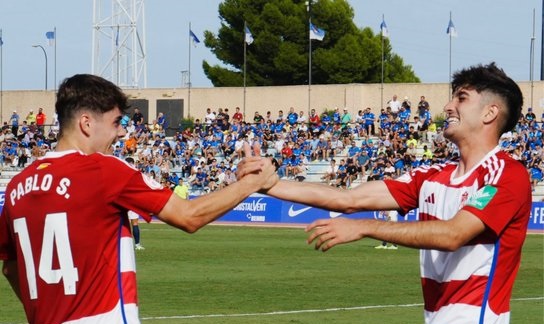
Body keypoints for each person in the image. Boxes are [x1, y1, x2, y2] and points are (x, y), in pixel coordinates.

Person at [250, 63, 531, 323]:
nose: (447, 106)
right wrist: (269, 184)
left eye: (461, 98)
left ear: (489, 113)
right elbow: (348, 199)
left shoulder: (507, 174)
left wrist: (365, 227)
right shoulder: (431, 176)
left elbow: (452, 235)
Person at [0, 74, 277, 324]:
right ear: (86, 123)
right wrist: (252, 183)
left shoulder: (17, 186)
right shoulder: (105, 170)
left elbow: (11, 269)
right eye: (116, 122)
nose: (122, 133)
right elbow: (189, 216)